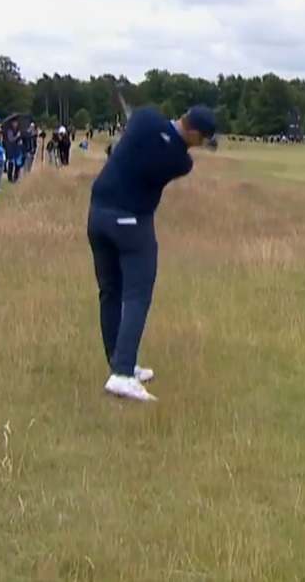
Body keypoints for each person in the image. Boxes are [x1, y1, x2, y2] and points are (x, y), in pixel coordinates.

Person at [86, 103, 218, 402]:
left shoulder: (145, 118)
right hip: (131, 221)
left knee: (110, 292)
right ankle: (122, 373)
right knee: (137, 295)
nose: (200, 145)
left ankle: (120, 363)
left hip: (97, 215)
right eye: (202, 139)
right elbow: (163, 150)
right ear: (194, 132)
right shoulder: (180, 161)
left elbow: (132, 139)